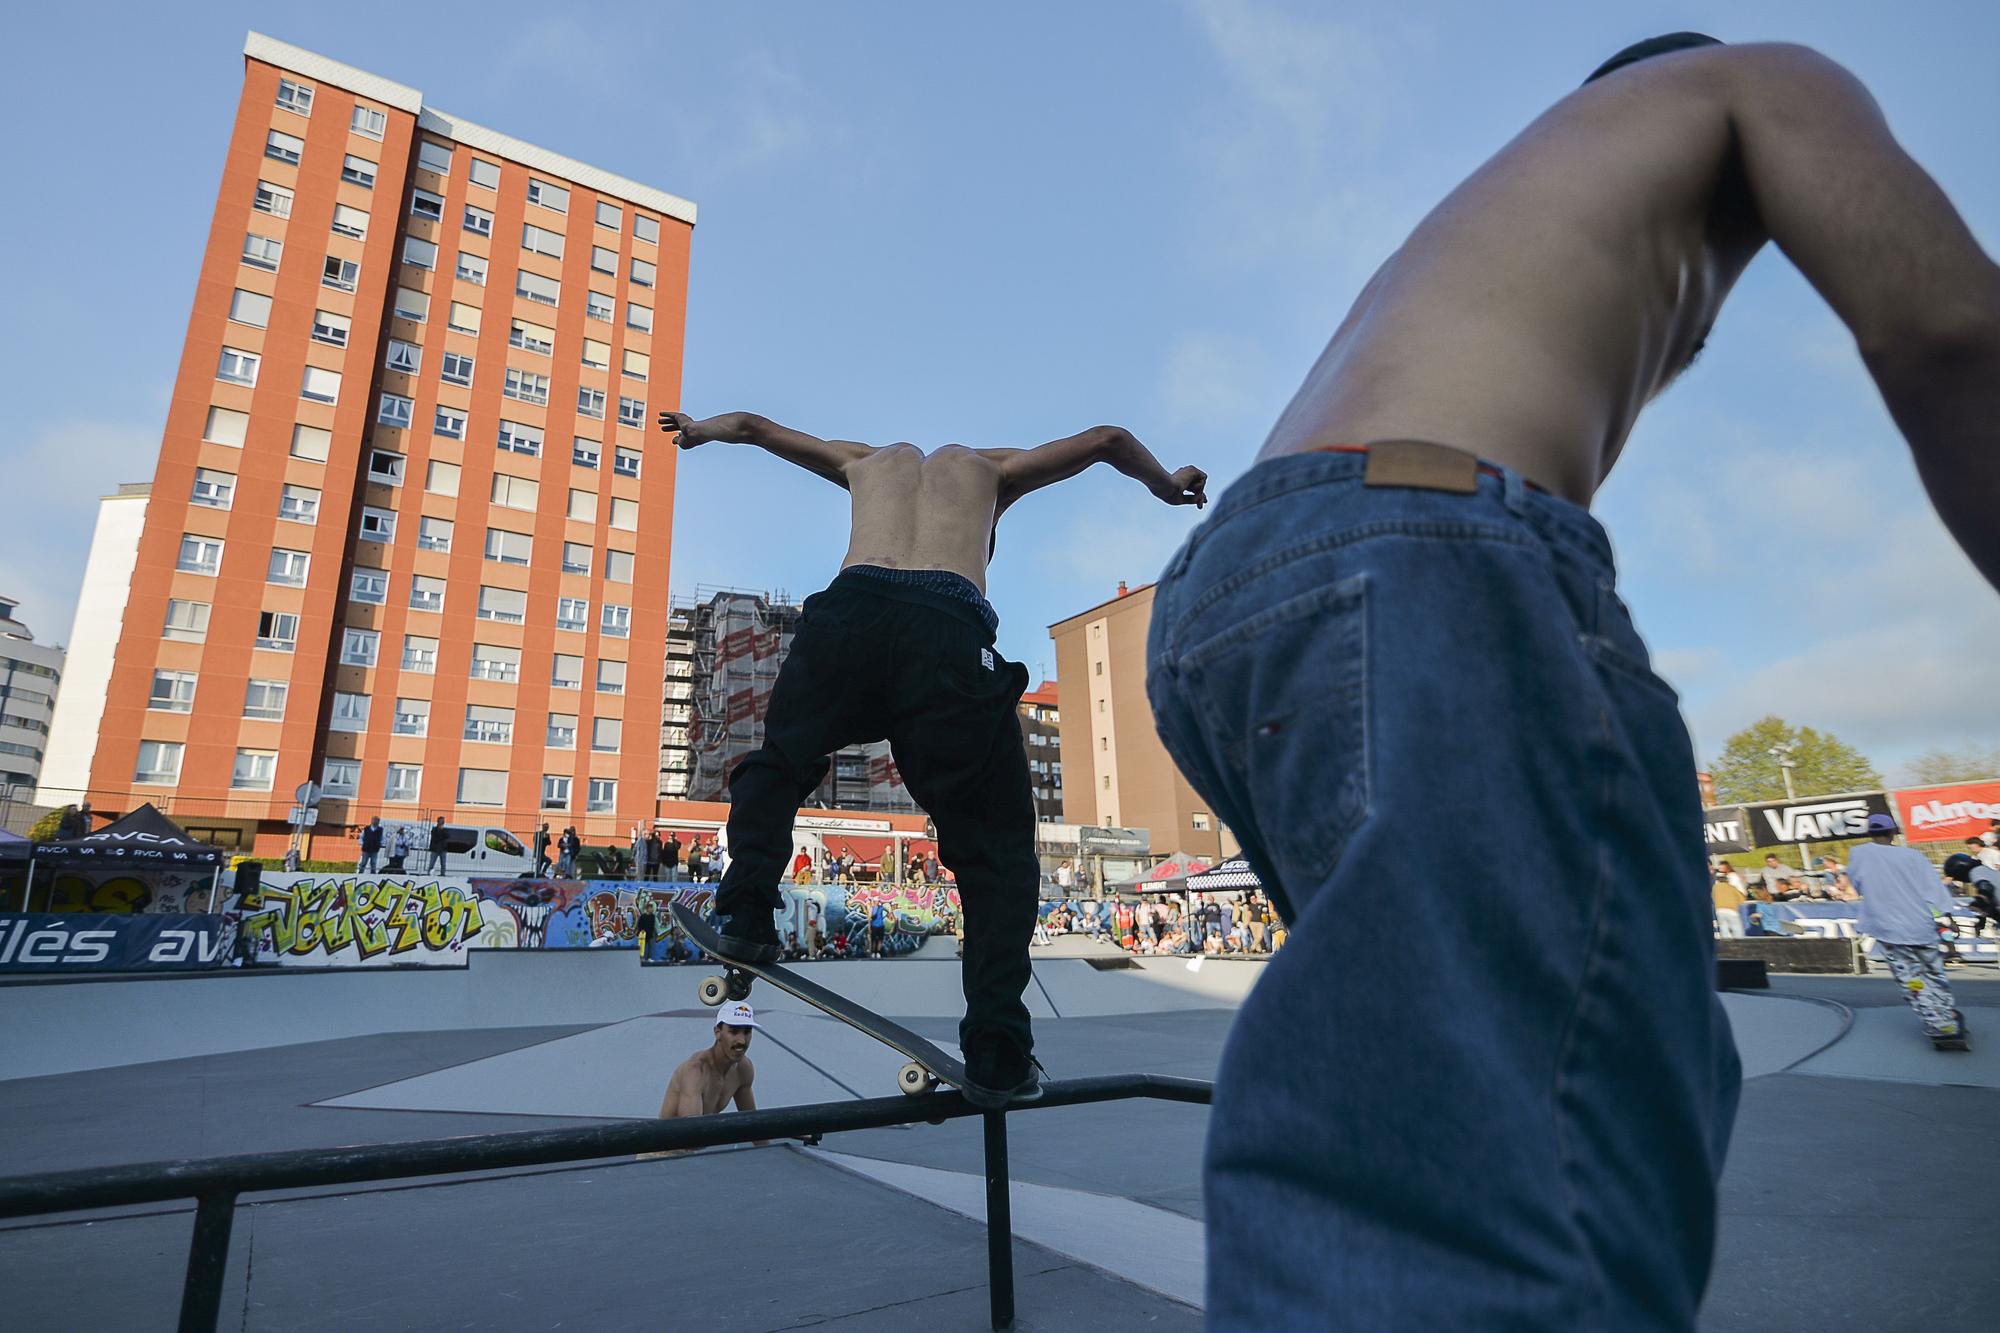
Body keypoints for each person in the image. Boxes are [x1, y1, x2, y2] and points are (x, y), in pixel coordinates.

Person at [1144, 32, 2000, 1328]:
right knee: (1511, 1162)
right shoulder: (1745, 80)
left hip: (1248, 592)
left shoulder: (1491, 219)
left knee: (1566, 1061)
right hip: (1421, 546)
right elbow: (1949, 325)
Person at [659, 407, 1203, 1107]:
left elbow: (756, 429)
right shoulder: (994, 471)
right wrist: (1165, 484)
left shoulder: (861, 460)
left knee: (780, 761)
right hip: (946, 630)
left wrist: (700, 428)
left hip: (848, 617)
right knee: (997, 852)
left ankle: (745, 915)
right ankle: (999, 1045)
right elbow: (1108, 440)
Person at [1850, 814, 1968, 1046]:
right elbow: (1933, 890)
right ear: (1893, 831)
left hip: (1888, 929)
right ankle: (1947, 1014)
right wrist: (1946, 916)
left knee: (1911, 980)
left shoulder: (1859, 854)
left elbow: (1857, 884)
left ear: (1869, 833)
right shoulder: (1913, 856)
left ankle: (1938, 1021)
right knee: (1934, 974)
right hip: (1920, 927)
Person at [649, 1001, 764, 1152]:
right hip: (663, 1153)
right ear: (717, 1032)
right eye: (734, 1031)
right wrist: (734, 1129)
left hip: (695, 1155)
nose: (741, 1041)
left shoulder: (743, 1069)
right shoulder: (696, 1070)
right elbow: (691, 1133)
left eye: (747, 1032)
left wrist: (776, 1157)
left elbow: (753, 1126)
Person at [1712, 865, 1748, 938]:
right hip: (1732, 911)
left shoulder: (1715, 887)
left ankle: (1727, 947)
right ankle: (1740, 946)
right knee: (1737, 931)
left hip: (1719, 910)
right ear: (1727, 880)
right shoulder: (1731, 887)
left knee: (1724, 930)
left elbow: (1713, 897)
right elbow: (1742, 899)